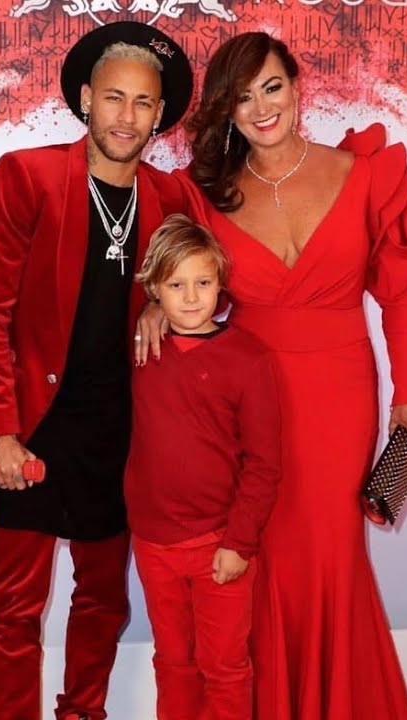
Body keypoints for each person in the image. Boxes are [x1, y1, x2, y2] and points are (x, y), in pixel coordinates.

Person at [135, 31, 407, 719]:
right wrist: (153, 305)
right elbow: (175, 270)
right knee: (256, 552)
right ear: (227, 110)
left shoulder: (364, 173)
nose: (261, 108)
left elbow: (401, 291)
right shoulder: (206, 194)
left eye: (271, 87)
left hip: (339, 396)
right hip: (244, 401)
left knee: (331, 554)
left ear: (298, 88)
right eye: (242, 98)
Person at [0, 21, 193, 720]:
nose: (126, 117)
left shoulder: (171, 197)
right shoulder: (28, 176)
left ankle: (83, 712)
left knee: (104, 601)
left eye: (143, 103)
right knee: (14, 611)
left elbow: (212, 279)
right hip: (29, 423)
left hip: (118, 432)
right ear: (85, 98)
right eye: (113, 97)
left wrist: (161, 305)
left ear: (159, 114)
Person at [125, 214, 283, 720]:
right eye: (176, 285)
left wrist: (239, 542)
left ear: (220, 284)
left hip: (219, 545)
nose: (192, 298)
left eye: (203, 282)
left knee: (225, 668)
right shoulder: (139, 350)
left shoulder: (248, 358)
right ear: (154, 289)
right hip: (153, 544)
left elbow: (263, 463)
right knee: (173, 661)